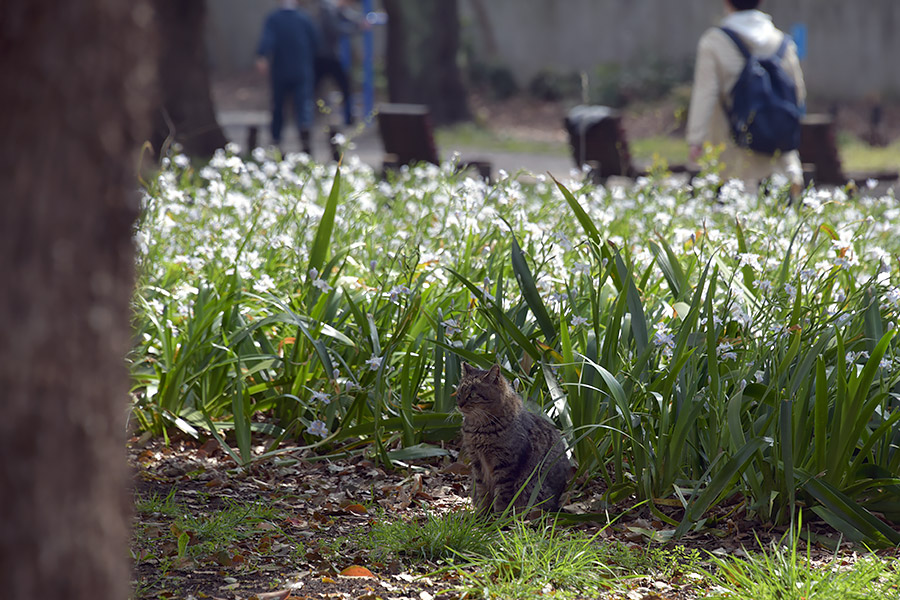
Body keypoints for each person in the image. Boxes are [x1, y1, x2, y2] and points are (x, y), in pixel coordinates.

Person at [686, 0, 806, 194]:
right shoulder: (783, 42)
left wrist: (696, 139)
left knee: (729, 217)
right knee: (780, 219)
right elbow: (798, 95)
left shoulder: (714, 42)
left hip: (731, 154)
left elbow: (705, 94)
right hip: (778, 155)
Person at [256, 0, 320, 154]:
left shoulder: (274, 18)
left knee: (278, 105)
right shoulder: (304, 18)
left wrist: (262, 55)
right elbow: (316, 42)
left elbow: (267, 39)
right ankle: (304, 131)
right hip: (301, 68)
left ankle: (276, 139)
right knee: (303, 103)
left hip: (280, 68)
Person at [314, 0, 368, 127]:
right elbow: (335, 29)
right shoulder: (328, 9)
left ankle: (348, 118)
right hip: (323, 57)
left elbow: (348, 15)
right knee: (316, 87)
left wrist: (360, 21)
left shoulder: (335, 9)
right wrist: (357, 27)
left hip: (329, 56)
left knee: (345, 87)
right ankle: (309, 118)